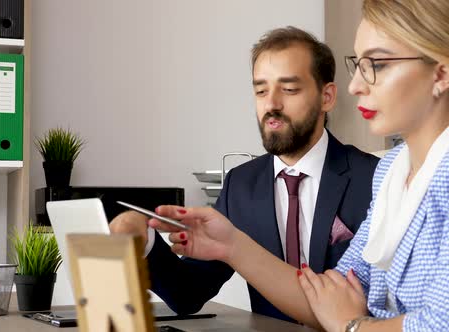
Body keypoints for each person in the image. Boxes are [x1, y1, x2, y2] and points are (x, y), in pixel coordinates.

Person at [149, 0, 449, 331]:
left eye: (379, 64)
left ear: (441, 73)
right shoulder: (393, 170)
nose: (357, 85)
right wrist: (232, 245)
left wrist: (355, 325)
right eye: (360, 64)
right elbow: (328, 295)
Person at [109, 26, 379, 322]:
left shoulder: (374, 178)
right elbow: (187, 293)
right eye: (261, 90)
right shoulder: (241, 184)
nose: (271, 104)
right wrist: (144, 241)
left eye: (288, 89)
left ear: (327, 97)